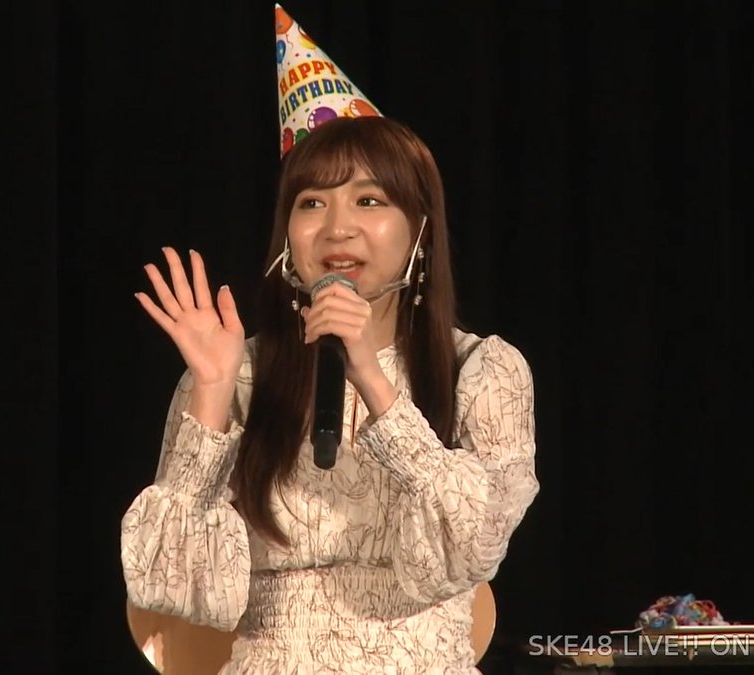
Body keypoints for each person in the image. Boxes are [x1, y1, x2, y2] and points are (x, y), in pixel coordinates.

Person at [121, 7, 538, 673]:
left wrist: (371, 375)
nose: (337, 227)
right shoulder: (241, 373)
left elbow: (473, 543)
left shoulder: (483, 369)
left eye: (369, 201)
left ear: (421, 230)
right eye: (312, 202)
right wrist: (211, 390)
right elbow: (172, 588)